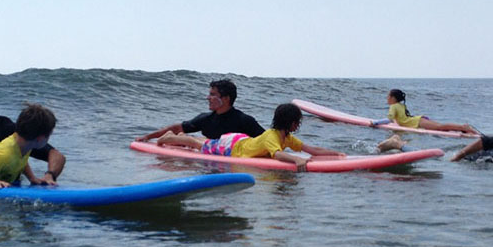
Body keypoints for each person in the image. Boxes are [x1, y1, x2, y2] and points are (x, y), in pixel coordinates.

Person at [155, 102, 343, 171]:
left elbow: (311, 150)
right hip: (234, 148)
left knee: (206, 142)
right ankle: (168, 138)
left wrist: (338, 154)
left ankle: (174, 137)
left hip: (240, 141)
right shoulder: (273, 137)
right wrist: (296, 160)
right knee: (199, 144)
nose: (298, 125)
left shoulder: (286, 137)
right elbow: (277, 155)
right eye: (298, 121)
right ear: (291, 123)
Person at [135, 79, 264, 142]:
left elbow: (266, 140)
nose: (208, 98)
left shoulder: (244, 121)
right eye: (209, 94)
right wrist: (147, 137)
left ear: (225, 99)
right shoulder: (206, 119)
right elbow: (176, 128)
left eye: (213, 95)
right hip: (208, 163)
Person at [376, 89, 478, 151]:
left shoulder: (393, 106)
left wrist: (375, 123)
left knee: (440, 127)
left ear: (393, 98)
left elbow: (389, 119)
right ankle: (462, 130)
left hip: (417, 122)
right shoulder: (399, 105)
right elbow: (398, 119)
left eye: (388, 96)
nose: (387, 98)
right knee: (441, 128)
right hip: (417, 120)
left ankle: (463, 127)